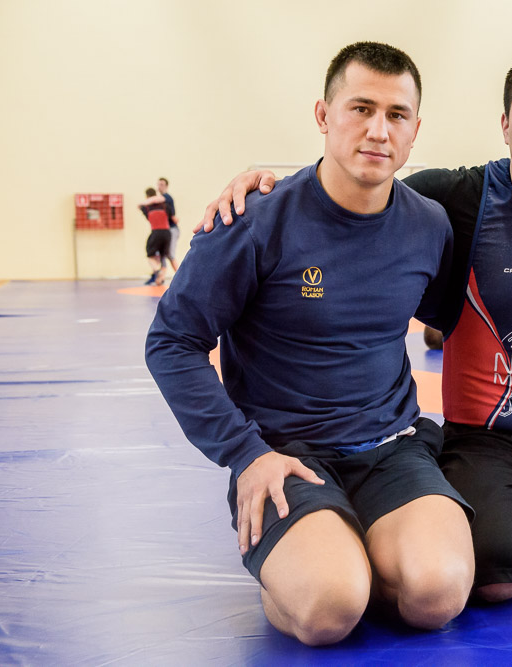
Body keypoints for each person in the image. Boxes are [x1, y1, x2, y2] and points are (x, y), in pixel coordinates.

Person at [198, 47, 512, 603]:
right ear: (506, 124)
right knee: (492, 576)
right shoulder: (454, 199)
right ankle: (504, 536)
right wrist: (265, 189)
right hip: (489, 442)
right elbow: (356, 182)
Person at [145, 42, 474, 647]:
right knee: (330, 608)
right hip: (284, 457)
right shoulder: (254, 219)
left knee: (438, 594)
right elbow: (173, 341)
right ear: (324, 115)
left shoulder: (429, 225)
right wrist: (245, 454)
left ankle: (357, 548)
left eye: (397, 115)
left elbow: (448, 317)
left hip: (391, 449)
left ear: (415, 130)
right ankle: (315, 563)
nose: (378, 131)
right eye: (360, 109)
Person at [137, 187, 172, 286]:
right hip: (167, 233)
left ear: (147, 197)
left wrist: (147, 202)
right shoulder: (165, 206)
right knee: (163, 256)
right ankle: (160, 279)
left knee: (150, 255)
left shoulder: (146, 208)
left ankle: (157, 270)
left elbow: (139, 206)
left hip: (156, 232)